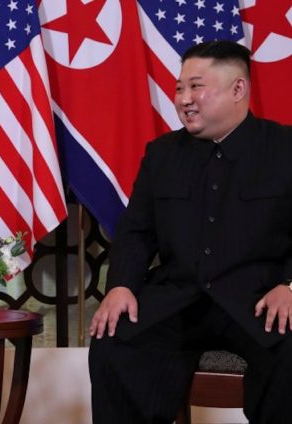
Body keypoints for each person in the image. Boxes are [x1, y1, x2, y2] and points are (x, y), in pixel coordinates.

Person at [88, 40, 292, 424]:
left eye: (196, 86)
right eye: (180, 87)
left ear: (237, 89)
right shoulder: (161, 154)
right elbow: (136, 231)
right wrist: (120, 286)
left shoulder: (283, 148)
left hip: (259, 300)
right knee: (113, 341)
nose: (184, 98)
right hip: (178, 301)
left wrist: (290, 285)